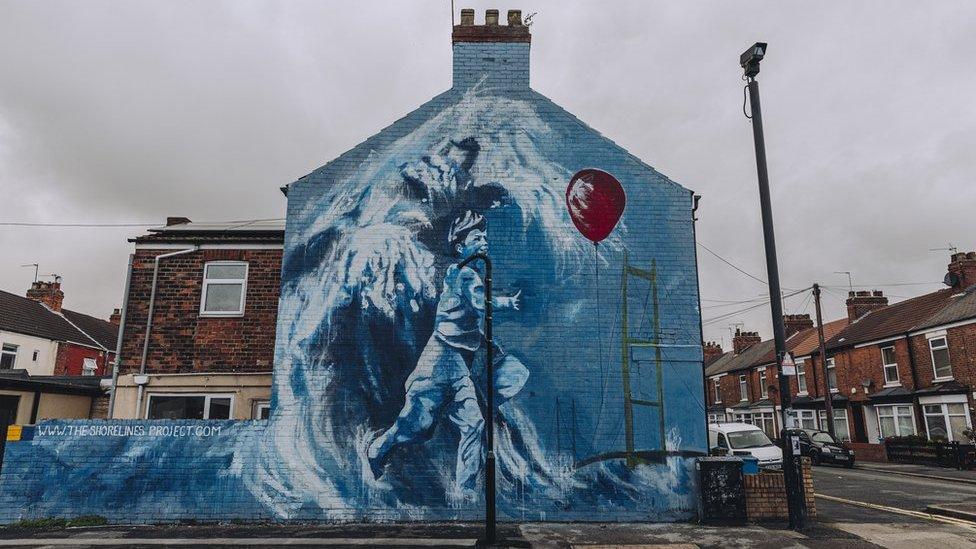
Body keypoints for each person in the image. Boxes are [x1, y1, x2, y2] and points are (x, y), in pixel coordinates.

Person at [366, 210, 523, 494]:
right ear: (462, 246)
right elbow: (479, 304)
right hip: (438, 363)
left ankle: (465, 490)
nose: (485, 241)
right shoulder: (462, 275)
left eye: (485, 236)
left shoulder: (465, 276)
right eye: (478, 237)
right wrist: (506, 302)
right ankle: (379, 448)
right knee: (416, 427)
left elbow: (463, 321)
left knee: (474, 423)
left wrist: (485, 344)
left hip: (457, 366)